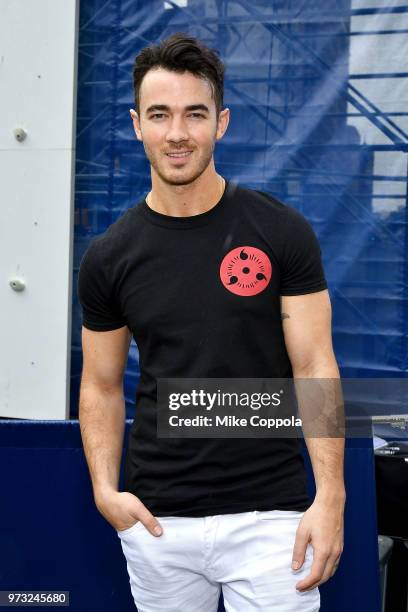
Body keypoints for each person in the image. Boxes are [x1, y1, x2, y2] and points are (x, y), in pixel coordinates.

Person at [77, 32, 345, 612]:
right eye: (160, 115)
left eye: (194, 114)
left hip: (273, 520)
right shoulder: (108, 257)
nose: (177, 134)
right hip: (159, 524)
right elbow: (99, 385)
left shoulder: (280, 232)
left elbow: (314, 364)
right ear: (136, 124)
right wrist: (104, 490)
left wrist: (330, 497)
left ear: (221, 123)